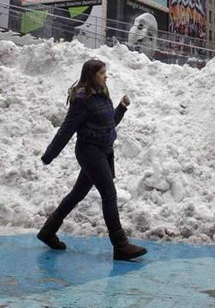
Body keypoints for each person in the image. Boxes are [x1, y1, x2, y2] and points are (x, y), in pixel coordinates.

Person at [38, 59, 147, 261]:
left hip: (103, 151)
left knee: (77, 193)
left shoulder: (102, 95)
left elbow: (108, 124)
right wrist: (50, 154)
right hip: (89, 151)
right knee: (109, 194)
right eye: (101, 73)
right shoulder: (82, 99)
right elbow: (67, 129)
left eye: (105, 72)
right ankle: (120, 245)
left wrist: (121, 108)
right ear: (90, 76)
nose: (105, 76)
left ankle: (48, 231)